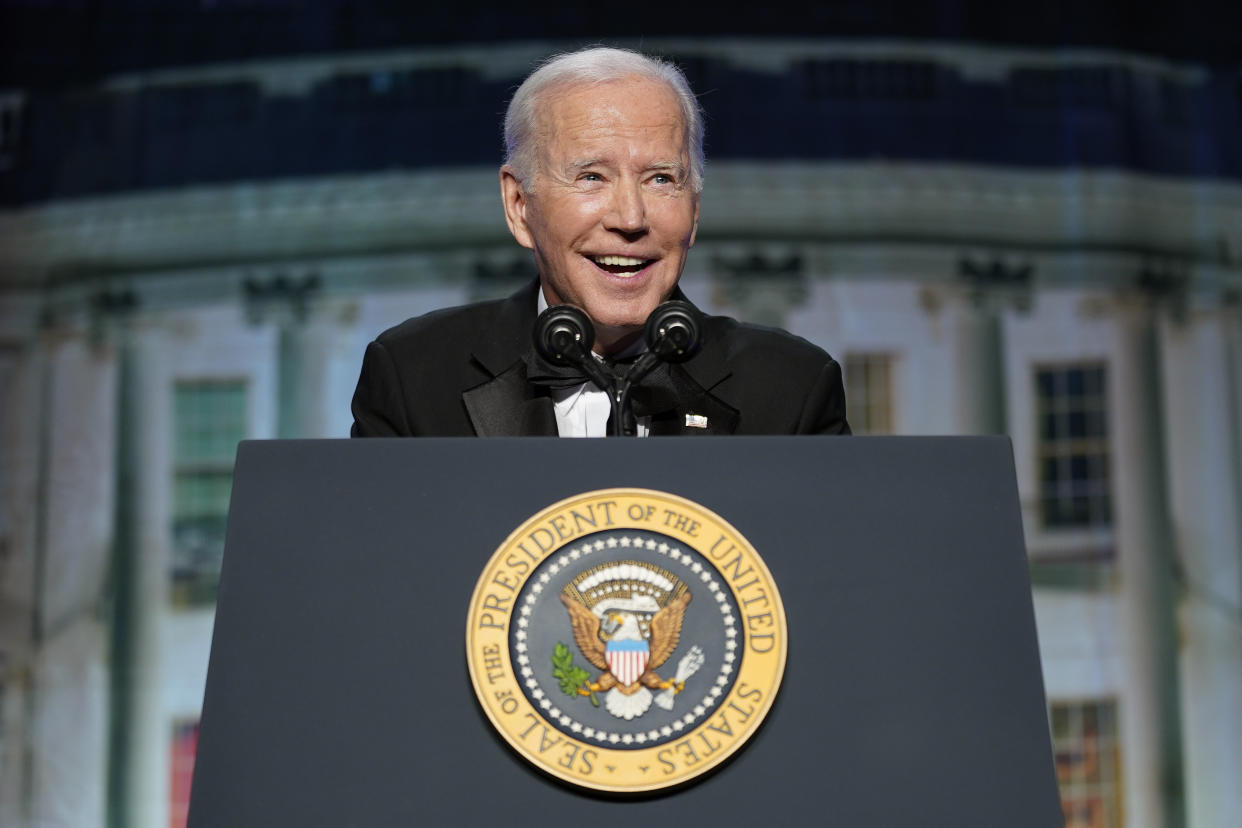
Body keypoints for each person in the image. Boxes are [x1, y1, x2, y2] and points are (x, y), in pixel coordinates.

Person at [350, 46, 849, 437]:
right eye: (591, 177)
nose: (630, 218)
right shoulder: (412, 377)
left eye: (660, 179)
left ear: (694, 210)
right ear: (519, 206)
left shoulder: (793, 388)